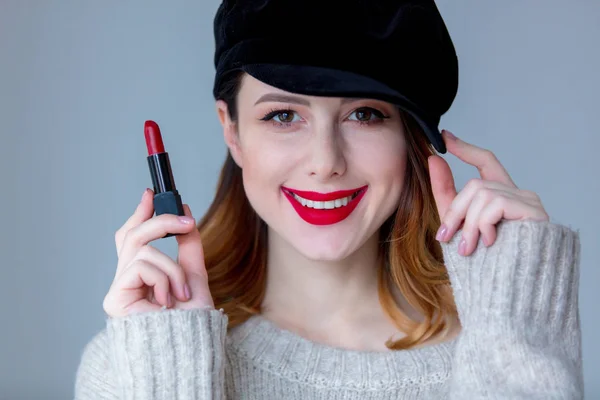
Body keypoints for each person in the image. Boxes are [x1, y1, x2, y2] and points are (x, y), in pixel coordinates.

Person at [74, 0, 584, 398]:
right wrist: (170, 373)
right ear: (232, 132)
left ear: (408, 136)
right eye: (282, 115)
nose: (325, 161)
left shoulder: (506, 341)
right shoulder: (135, 364)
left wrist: (517, 310)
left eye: (364, 114)